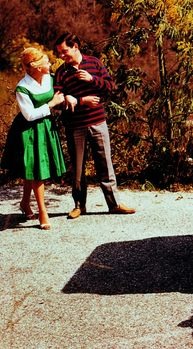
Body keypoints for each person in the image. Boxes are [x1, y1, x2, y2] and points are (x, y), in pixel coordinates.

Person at [53, 33, 135, 218]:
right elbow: (56, 103)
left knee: (105, 164)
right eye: (59, 52)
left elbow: (110, 87)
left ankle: (114, 204)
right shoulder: (61, 72)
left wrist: (92, 80)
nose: (61, 55)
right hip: (75, 126)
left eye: (64, 51)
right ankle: (79, 206)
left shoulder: (95, 63)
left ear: (75, 47)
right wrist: (82, 101)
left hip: (98, 122)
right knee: (78, 168)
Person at [1, 48, 67, 229]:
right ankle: (42, 212)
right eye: (46, 62)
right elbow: (29, 115)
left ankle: (24, 203)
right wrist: (51, 104)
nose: (49, 64)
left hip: (45, 127)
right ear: (36, 67)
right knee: (37, 170)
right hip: (28, 130)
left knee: (31, 168)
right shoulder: (23, 88)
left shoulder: (49, 79)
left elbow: (63, 89)